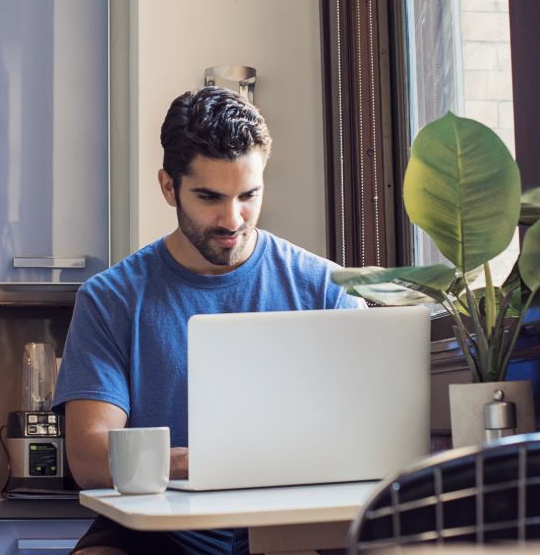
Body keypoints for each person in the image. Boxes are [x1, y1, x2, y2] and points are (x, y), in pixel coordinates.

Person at [53, 86, 364, 555]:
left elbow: (361, 433)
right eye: (209, 197)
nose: (232, 219)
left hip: (293, 520)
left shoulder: (326, 288)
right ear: (168, 186)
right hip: (157, 528)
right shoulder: (110, 299)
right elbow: (90, 457)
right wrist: (194, 463)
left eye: (248, 195)